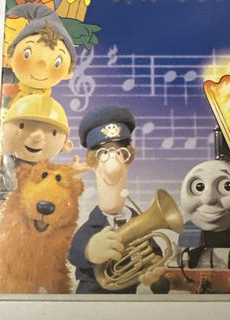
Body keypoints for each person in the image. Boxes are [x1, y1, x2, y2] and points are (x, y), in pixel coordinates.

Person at [69, 105, 165, 294]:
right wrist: (89, 250)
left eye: (120, 152)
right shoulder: (92, 226)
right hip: (90, 300)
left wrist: (156, 275)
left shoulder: (138, 221)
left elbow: (156, 262)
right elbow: (73, 251)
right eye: (103, 153)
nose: (113, 161)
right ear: (94, 165)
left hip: (127, 300)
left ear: (127, 160)